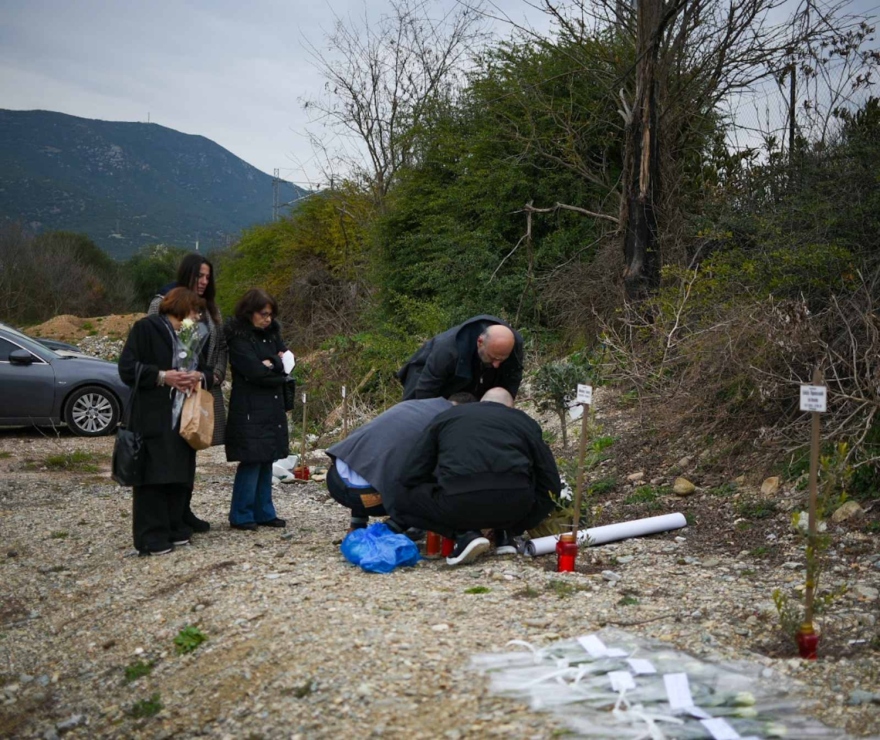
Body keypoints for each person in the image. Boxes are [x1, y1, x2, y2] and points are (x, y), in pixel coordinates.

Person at [395, 388, 560, 566]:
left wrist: (438, 487)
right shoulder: (524, 421)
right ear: (510, 407)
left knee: (402, 495)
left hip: (457, 504)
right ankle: (505, 533)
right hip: (515, 505)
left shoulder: (447, 417)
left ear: (481, 402)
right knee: (527, 479)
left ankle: (464, 534)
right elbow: (550, 480)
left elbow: (411, 473)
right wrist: (522, 522)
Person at [118, 287, 214, 556]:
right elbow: (127, 368)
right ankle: (151, 537)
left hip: (185, 416)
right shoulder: (145, 328)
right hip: (152, 414)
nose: (198, 318)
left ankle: (176, 528)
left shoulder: (191, 334)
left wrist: (197, 377)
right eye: (196, 311)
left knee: (179, 472)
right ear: (182, 308)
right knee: (153, 476)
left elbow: (205, 368)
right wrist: (163, 377)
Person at [148, 253, 228, 533]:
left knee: (191, 450)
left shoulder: (211, 310)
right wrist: (172, 376)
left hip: (201, 390)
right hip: (170, 391)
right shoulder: (163, 300)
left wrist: (214, 376)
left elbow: (220, 350)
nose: (204, 282)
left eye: (208, 276)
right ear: (187, 275)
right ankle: (167, 516)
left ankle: (183, 511)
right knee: (170, 453)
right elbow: (154, 344)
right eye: (199, 276)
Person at [325, 393, 476, 534]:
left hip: (335, 481)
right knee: (434, 482)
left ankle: (357, 526)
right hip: (370, 497)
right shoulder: (448, 422)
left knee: (373, 460)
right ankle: (391, 529)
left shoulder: (411, 406)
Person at [224, 289, 290, 531]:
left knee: (266, 458)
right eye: (263, 314)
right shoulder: (239, 338)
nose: (268, 319)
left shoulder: (271, 334)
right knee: (252, 459)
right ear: (249, 312)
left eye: (270, 314)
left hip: (271, 404)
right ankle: (241, 513)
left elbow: (286, 361)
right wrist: (277, 367)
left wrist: (272, 364)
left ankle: (264, 511)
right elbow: (253, 371)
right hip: (249, 407)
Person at [396, 315, 524, 401]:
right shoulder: (447, 350)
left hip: (475, 371)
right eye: (493, 357)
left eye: (502, 359)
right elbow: (425, 391)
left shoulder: (512, 344)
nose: (497, 364)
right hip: (425, 377)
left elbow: (511, 380)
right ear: (480, 342)